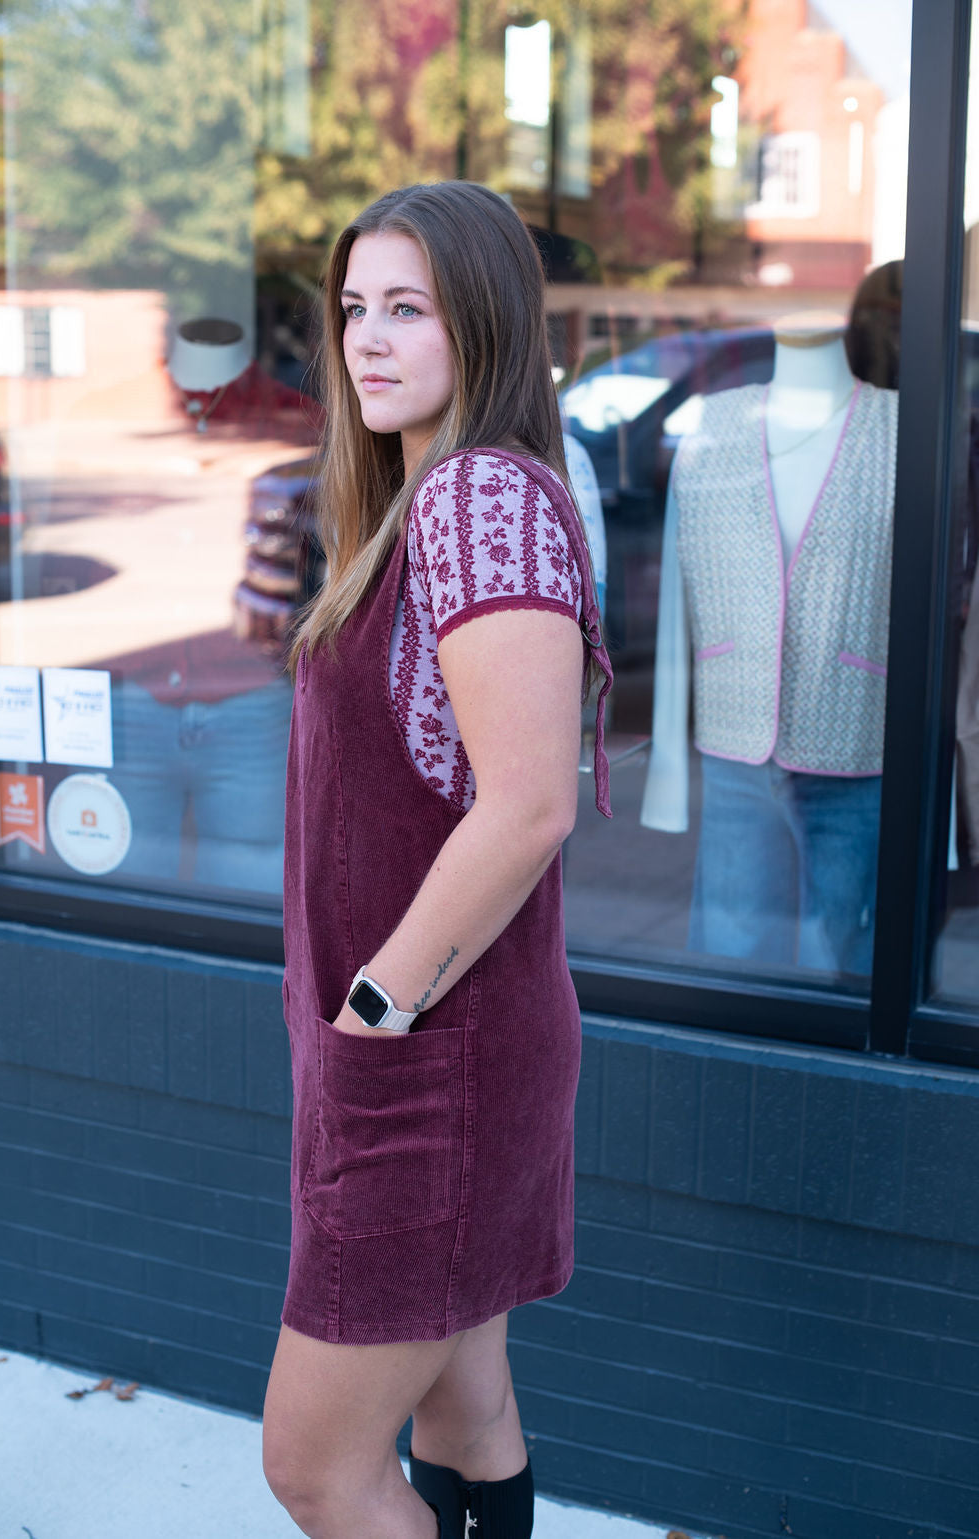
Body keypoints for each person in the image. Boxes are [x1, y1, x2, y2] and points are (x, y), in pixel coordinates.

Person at [260, 180, 612, 1539]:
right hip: (441, 1055)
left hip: (429, 1069)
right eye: (355, 308)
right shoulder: (424, 500)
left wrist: (374, 1008)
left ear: (484, 321)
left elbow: (527, 808)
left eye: (408, 308)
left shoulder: (475, 499)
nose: (367, 338)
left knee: (317, 1466)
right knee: (460, 1407)